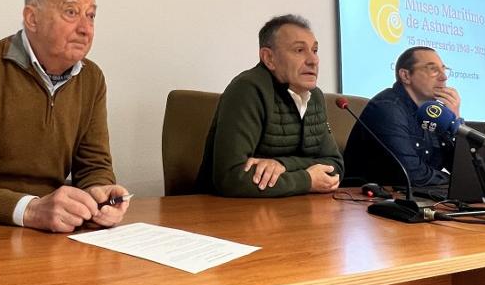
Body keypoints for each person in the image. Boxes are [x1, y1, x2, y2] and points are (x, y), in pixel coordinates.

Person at [0, 0, 130, 232]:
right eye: (71, 12)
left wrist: (100, 195)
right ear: (32, 18)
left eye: (91, 16)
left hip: (54, 231)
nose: (86, 29)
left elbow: (94, 166)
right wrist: (30, 209)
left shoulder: (91, 77)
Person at [197, 15, 343, 197]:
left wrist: (283, 165)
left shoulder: (315, 97)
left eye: (315, 50)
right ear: (269, 58)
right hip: (227, 213)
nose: (313, 60)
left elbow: (334, 166)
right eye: (299, 50)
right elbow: (231, 177)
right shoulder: (248, 89)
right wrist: (306, 179)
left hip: (292, 209)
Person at [343, 46, 461, 193]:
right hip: (366, 203)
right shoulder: (387, 109)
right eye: (433, 69)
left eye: (444, 70)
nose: (444, 77)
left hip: (411, 197)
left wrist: (454, 123)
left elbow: (463, 170)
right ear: (405, 75)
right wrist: (457, 182)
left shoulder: (434, 113)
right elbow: (413, 175)